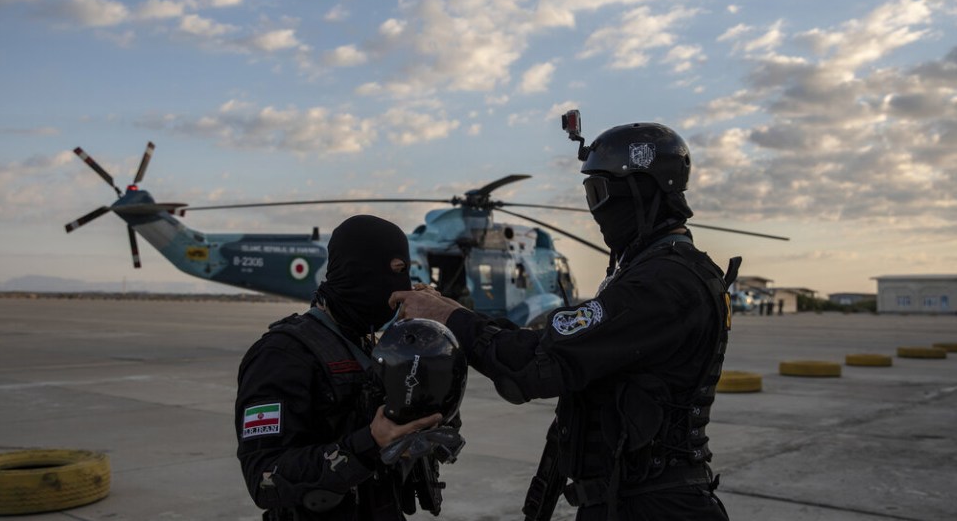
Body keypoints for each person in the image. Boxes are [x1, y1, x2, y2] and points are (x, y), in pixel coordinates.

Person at [391, 122, 739, 521]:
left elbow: (534, 364)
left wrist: (449, 318)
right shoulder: (666, 275)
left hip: (650, 507)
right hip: (632, 500)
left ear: (639, 191)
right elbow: (564, 358)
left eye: (598, 193)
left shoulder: (660, 284)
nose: (596, 210)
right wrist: (459, 314)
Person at [235, 215, 450, 521]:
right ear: (357, 272)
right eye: (396, 273)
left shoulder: (373, 346)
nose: (402, 287)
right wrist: (369, 444)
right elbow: (264, 479)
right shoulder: (281, 355)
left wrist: (430, 350)